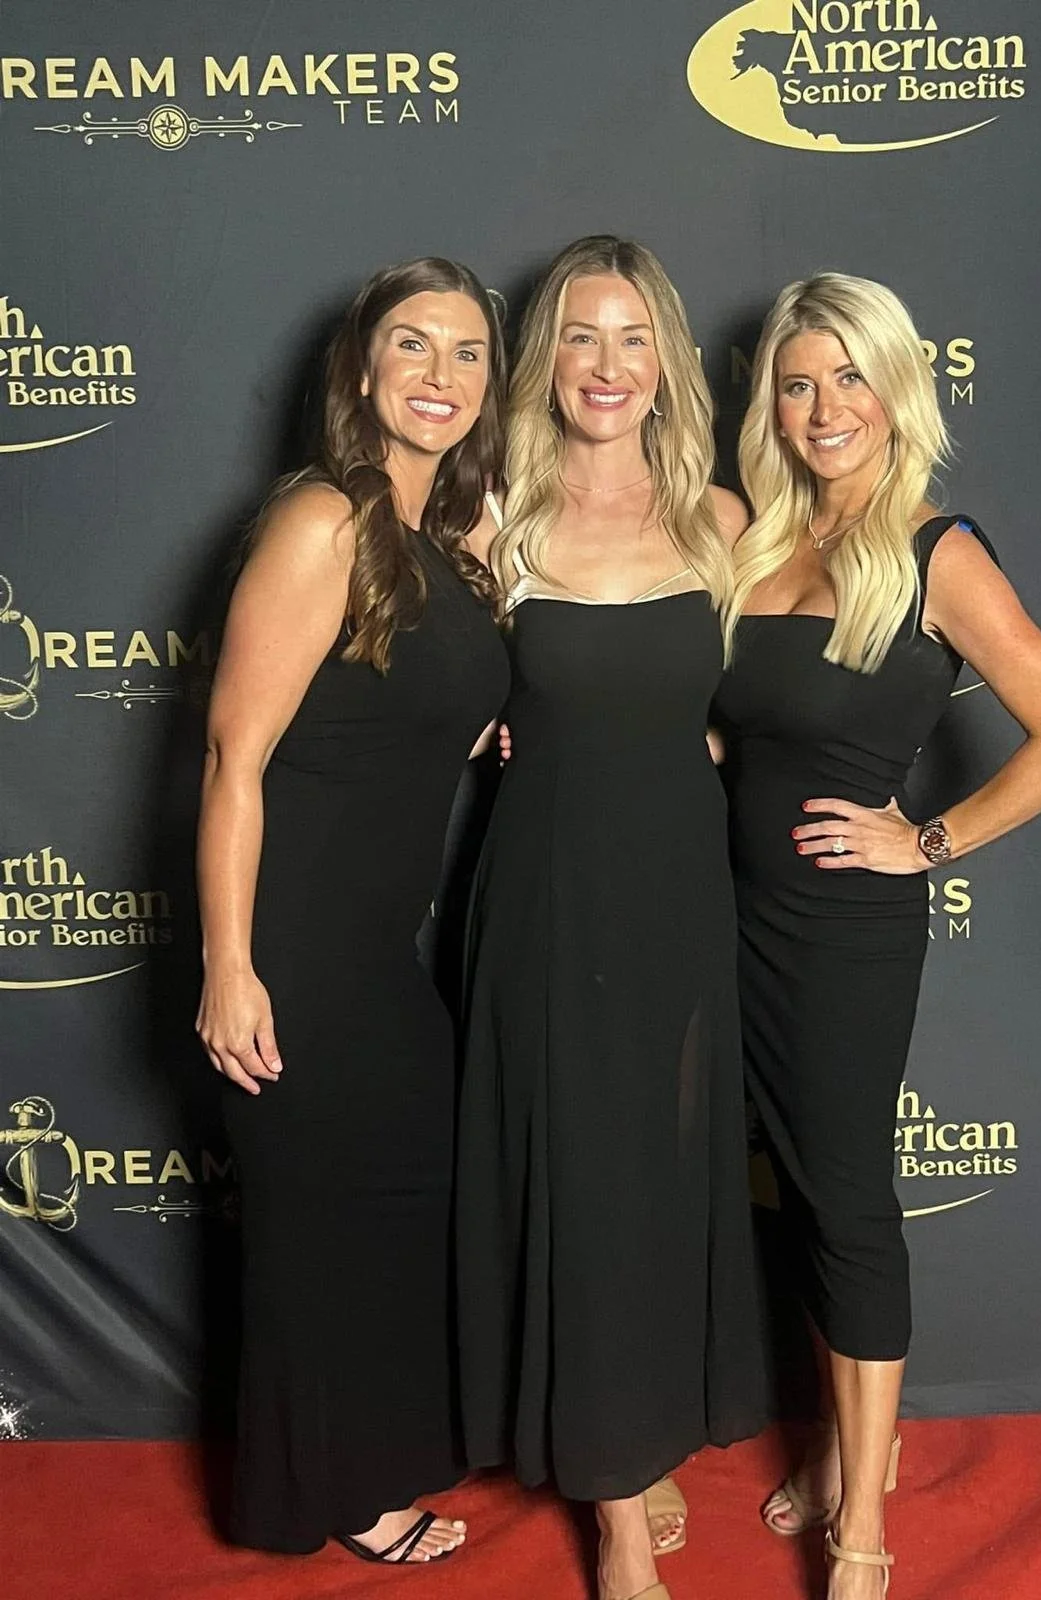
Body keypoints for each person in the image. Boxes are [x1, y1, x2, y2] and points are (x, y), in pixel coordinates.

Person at [712, 272, 1041, 1597]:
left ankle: (864, 1525)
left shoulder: (935, 549)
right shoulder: (752, 538)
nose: (825, 407)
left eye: (850, 377)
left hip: (839, 930)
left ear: (898, 390)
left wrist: (927, 840)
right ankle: (830, 1452)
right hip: (711, 908)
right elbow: (728, 734)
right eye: (798, 380)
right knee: (721, 1195)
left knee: (843, 1204)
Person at [455, 235, 767, 1600]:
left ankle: (645, 1432)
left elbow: (766, 710)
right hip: (547, 897)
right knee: (576, 1180)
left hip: (682, 897)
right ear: (547, 361)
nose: (605, 364)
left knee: (662, 1173)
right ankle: (617, 1511)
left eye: (631, 336)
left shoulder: (723, 520)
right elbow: (422, 704)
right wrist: (479, 725)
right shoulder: (494, 524)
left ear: (665, 362)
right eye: (579, 336)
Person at [195, 258, 510, 1564]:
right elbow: (233, 759)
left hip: (388, 959)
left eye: (467, 353)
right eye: (411, 346)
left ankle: (367, 1466)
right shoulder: (321, 521)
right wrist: (228, 966)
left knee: (405, 1209)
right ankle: (341, 1502)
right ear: (363, 372)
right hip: (295, 956)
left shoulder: (442, 543)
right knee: (319, 1232)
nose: (438, 375)